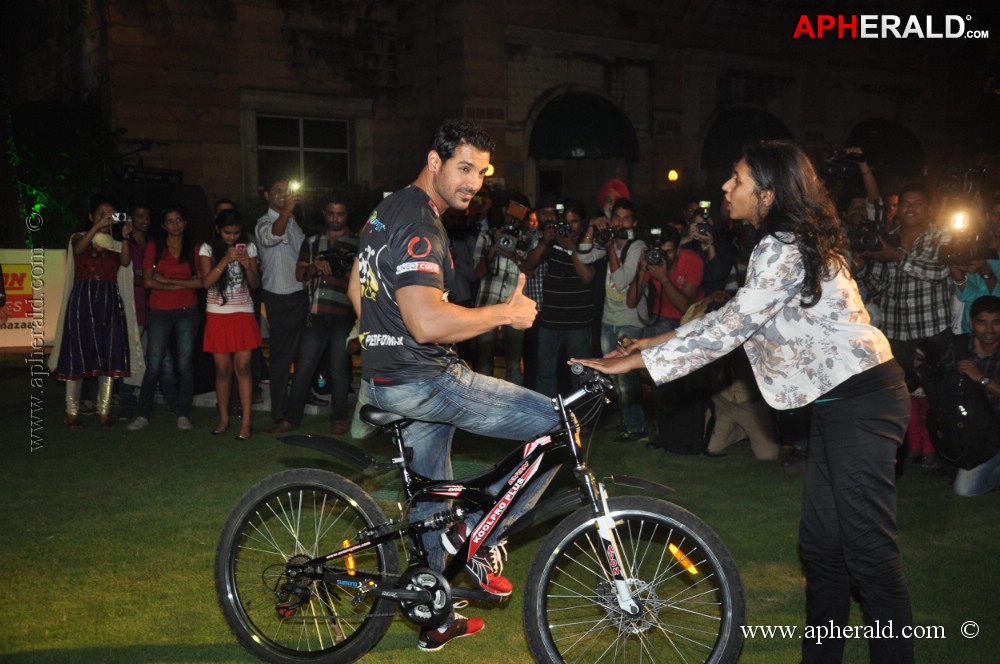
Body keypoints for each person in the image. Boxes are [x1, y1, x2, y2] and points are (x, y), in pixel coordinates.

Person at [573, 140, 914, 664]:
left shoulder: (784, 244)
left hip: (863, 400)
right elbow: (736, 314)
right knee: (823, 551)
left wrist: (632, 363)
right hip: (838, 405)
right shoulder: (778, 242)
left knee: (868, 554)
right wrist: (653, 343)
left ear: (769, 192)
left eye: (736, 179)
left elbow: (730, 329)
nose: (725, 187)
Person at [348, 119, 560, 652]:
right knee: (559, 425)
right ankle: (476, 534)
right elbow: (428, 323)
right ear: (435, 161)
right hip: (425, 379)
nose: (473, 183)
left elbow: (357, 286)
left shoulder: (387, 208)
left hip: (389, 378)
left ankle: (433, 614)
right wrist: (504, 315)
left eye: (482, 173)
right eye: (464, 168)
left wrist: (383, 340)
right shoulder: (422, 223)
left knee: (429, 500)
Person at [268, 197, 357, 436]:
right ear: (324, 214)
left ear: (347, 214)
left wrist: (345, 269)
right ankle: (290, 419)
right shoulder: (312, 241)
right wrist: (314, 267)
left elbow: (364, 283)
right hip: (315, 313)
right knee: (304, 367)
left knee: (339, 368)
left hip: (343, 314)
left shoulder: (358, 243)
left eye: (340, 214)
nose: (335, 218)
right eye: (331, 213)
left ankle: (339, 418)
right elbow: (300, 274)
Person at [49, 194, 137, 429]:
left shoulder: (117, 244)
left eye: (110, 214)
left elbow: (126, 263)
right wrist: (96, 227)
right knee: (77, 353)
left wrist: (126, 236)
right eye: (101, 213)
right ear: (91, 216)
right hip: (82, 301)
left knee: (108, 353)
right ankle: (71, 412)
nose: (106, 217)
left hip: (108, 302)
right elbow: (78, 251)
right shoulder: (79, 237)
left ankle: (104, 411)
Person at [128, 205, 203, 431]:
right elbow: (148, 282)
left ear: (185, 222)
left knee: (185, 364)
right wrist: (182, 284)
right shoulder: (155, 246)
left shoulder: (194, 248)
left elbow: (202, 282)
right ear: (163, 225)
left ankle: (183, 413)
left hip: (187, 311)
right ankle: (143, 414)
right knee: (154, 363)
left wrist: (168, 281)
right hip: (159, 311)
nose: (175, 225)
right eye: (170, 221)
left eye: (178, 220)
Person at [520, 198, 596, 397]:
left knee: (580, 375)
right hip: (550, 319)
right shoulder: (551, 242)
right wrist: (545, 241)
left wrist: (571, 248)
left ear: (583, 222)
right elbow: (528, 266)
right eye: (565, 222)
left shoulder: (588, 243)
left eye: (574, 222)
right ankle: (545, 420)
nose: (569, 227)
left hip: (578, 321)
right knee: (545, 375)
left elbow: (587, 277)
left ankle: (581, 419)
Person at [588, 198, 649, 441]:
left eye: (625, 218)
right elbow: (583, 257)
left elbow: (621, 281)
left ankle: (637, 427)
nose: (619, 222)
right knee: (614, 375)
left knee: (627, 377)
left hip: (630, 320)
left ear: (633, 222)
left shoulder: (637, 246)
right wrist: (593, 230)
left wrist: (611, 247)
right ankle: (627, 419)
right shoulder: (606, 242)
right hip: (608, 317)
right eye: (616, 217)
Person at [199, 209, 261, 441]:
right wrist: (225, 259)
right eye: (227, 233)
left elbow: (255, 284)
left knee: (243, 367)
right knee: (222, 370)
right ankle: (224, 418)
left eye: (236, 233)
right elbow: (206, 282)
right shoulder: (207, 248)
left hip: (243, 311)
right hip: (217, 313)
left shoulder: (250, 247)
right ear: (218, 229)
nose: (232, 237)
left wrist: (247, 265)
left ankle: (245, 422)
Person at [256, 179, 309, 430]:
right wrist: (287, 211)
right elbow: (272, 236)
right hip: (278, 296)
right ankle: (279, 413)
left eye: (286, 192)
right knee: (280, 357)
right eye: (278, 191)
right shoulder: (263, 222)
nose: (283, 195)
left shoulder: (294, 222)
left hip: (298, 294)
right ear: (267, 195)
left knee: (301, 354)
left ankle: (295, 407)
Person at [938, 295, 1000, 496]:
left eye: (996, 322)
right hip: (973, 431)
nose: (989, 330)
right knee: (966, 490)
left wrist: (981, 378)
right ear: (972, 323)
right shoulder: (959, 347)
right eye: (982, 322)